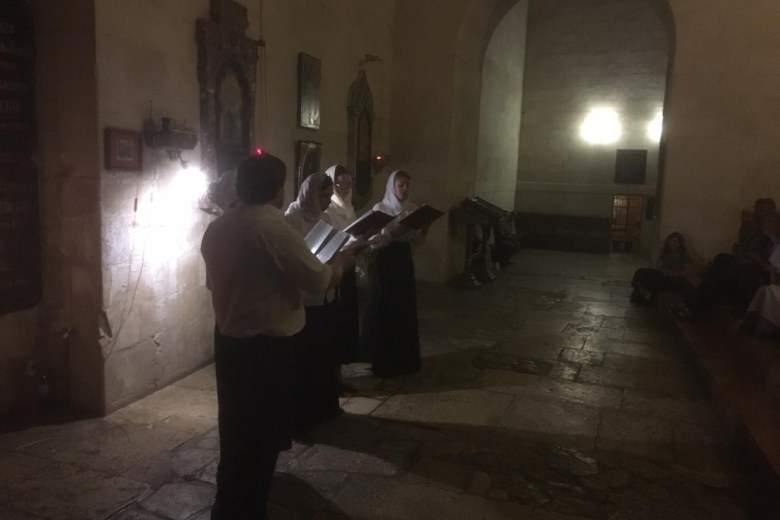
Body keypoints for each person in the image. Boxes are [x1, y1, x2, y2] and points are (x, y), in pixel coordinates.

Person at [200, 154, 351, 520]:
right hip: (266, 347)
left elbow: (214, 284)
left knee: (235, 429)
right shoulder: (273, 227)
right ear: (277, 188)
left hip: (229, 342)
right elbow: (317, 280)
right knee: (262, 436)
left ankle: (228, 504)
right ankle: (248, 509)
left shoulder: (218, 227)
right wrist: (340, 264)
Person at [285, 172, 344, 429]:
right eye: (324, 196)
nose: (328, 201)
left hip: (325, 293)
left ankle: (325, 407)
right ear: (310, 195)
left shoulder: (326, 217)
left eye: (330, 196)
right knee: (305, 359)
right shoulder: (291, 219)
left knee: (323, 356)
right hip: (303, 299)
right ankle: (305, 413)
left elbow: (336, 244)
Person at [362, 170, 427, 377]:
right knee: (385, 305)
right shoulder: (380, 209)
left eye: (407, 185)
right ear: (392, 186)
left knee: (404, 306)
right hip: (386, 259)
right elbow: (374, 242)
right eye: (401, 185)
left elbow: (417, 241)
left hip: (403, 259)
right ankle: (383, 361)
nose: (404, 189)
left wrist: (424, 229)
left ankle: (404, 359)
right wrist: (393, 233)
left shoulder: (412, 209)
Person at [673, 198, 776, 319]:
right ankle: (693, 305)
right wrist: (742, 250)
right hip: (745, 264)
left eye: (762, 211)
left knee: (719, 272)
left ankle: (694, 307)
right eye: (757, 210)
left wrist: (753, 258)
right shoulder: (757, 229)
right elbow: (747, 248)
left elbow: (770, 261)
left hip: (757, 272)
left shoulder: (772, 232)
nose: (758, 214)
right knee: (721, 259)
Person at [323, 165, 361, 372]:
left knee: (348, 308)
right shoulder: (328, 209)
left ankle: (349, 351)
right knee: (336, 312)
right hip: (335, 265)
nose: (344, 188)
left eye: (348, 184)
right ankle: (337, 355)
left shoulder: (349, 208)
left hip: (349, 263)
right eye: (339, 184)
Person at [630, 232, 691, 305]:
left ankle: (646, 294)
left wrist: (674, 274)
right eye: (670, 241)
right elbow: (659, 266)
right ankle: (642, 290)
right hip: (664, 275)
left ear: (680, 243)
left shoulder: (684, 256)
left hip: (675, 279)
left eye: (675, 241)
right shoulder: (665, 254)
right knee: (641, 271)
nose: (672, 243)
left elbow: (689, 271)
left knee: (653, 280)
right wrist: (663, 270)